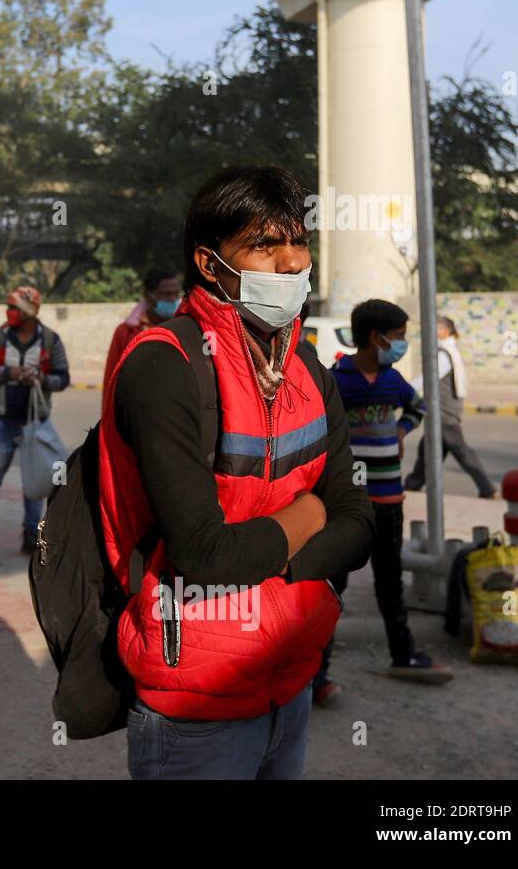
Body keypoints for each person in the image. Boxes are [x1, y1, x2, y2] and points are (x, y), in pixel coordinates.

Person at [103, 165, 374, 779]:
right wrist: (311, 514)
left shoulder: (307, 367)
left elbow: (360, 522)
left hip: (292, 677)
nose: (289, 264)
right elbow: (204, 553)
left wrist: (269, 559)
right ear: (209, 262)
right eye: (264, 244)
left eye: (298, 243)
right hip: (196, 706)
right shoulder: (166, 367)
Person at [315, 299, 452, 696]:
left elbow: (418, 407)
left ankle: (403, 654)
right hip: (346, 504)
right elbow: (317, 423)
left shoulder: (394, 382)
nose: (402, 344)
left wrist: (402, 431)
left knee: (390, 583)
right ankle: (316, 672)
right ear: (376, 338)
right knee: (332, 586)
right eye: (399, 337)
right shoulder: (337, 379)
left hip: (389, 503)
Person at [0, 285, 70, 567]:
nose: (9, 312)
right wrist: (8, 373)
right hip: (1, 421)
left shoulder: (51, 340)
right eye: (8, 307)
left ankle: (30, 540)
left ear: (29, 312)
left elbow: (63, 378)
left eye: (15, 308)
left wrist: (41, 378)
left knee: (35, 485)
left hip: (34, 423)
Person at [403, 316, 496, 499]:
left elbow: (427, 377)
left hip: (443, 413)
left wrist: (405, 390)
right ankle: (412, 484)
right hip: (442, 412)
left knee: (462, 451)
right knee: (427, 450)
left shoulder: (443, 354)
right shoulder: (449, 350)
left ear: (444, 331)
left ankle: (487, 488)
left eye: (434, 329)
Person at [102, 268, 182, 388]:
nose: (173, 299)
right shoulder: (125, 332)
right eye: (167, 294)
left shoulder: (186, 328)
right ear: (148, 296)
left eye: (176, 294)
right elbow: (111, 379)